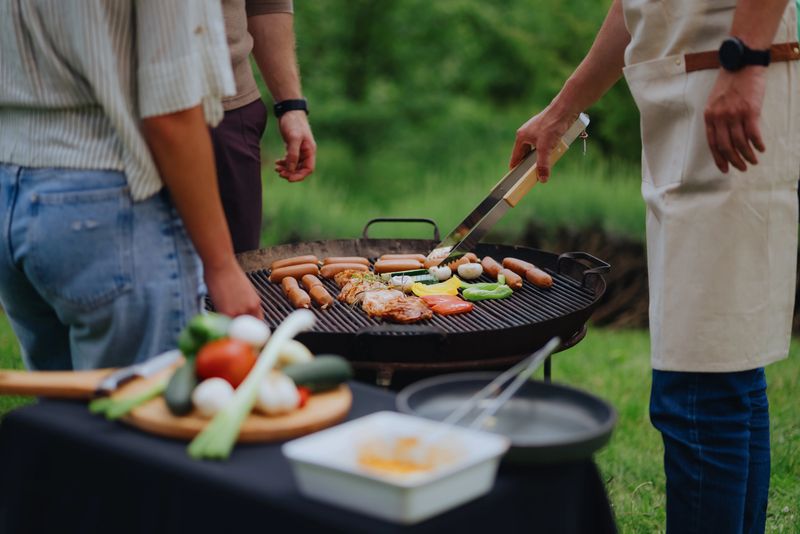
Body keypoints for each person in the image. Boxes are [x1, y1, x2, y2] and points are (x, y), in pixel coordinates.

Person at [510, 1, 799, 533]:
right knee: (726, 370)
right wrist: (563, 110)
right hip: (687, 99)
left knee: (698, 388)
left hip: (725, 84)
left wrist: (743, 60)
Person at [0, 0, 263, 371]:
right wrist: (222, 266)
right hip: (105, 205)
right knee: (135, 418)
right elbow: (170, 117)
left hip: (9, 186)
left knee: (60, 419)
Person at [213, 0, 316, 254]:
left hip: (229, 111)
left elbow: (267, 4)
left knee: (236, 263)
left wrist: (291, 105)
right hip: (121, 119)